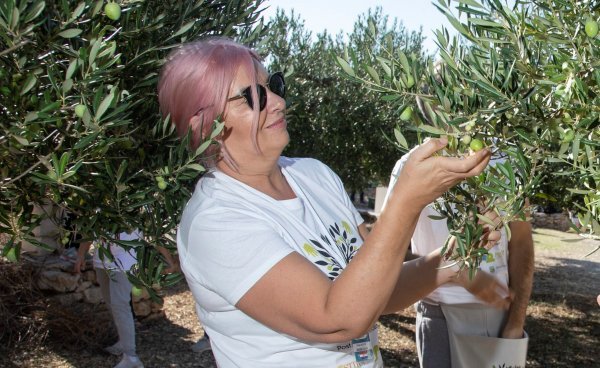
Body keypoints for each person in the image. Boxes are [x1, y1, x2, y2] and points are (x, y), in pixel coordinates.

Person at [157, 37, 510, 367]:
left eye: (273, 86)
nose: (279, 102)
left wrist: (448, 262)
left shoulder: (315, 176)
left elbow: (374, 294)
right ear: (205, 125)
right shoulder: (216, 221)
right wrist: (406, 200)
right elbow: (338, 320)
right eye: (253, 96)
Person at [383, 150, 534, 368]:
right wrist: (458, 272)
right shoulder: (410, 166)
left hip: (496, 316)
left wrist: (516, 321)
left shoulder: (508, 159)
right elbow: (386, 254)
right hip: (434, 316)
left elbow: (522, 244)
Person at [74, 230, 144, 368]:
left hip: (126, 261)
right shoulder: (96, 207)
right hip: (102, 261)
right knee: (111, 303)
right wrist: (81, 255)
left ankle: (131, 357)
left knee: (120, 304)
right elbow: (89, 226)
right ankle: (123, 342)